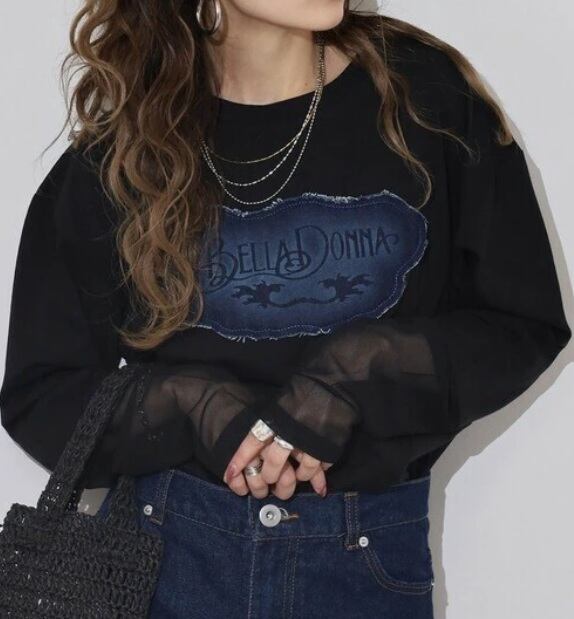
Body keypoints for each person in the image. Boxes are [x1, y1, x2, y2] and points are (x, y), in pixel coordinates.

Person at [0, 1, 570, 617]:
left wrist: (355, 375)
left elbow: (522, 321)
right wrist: (192, 406)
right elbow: (41, 393)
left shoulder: (422, 100)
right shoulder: (131, 145)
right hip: (162, 561)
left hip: (364, 564)